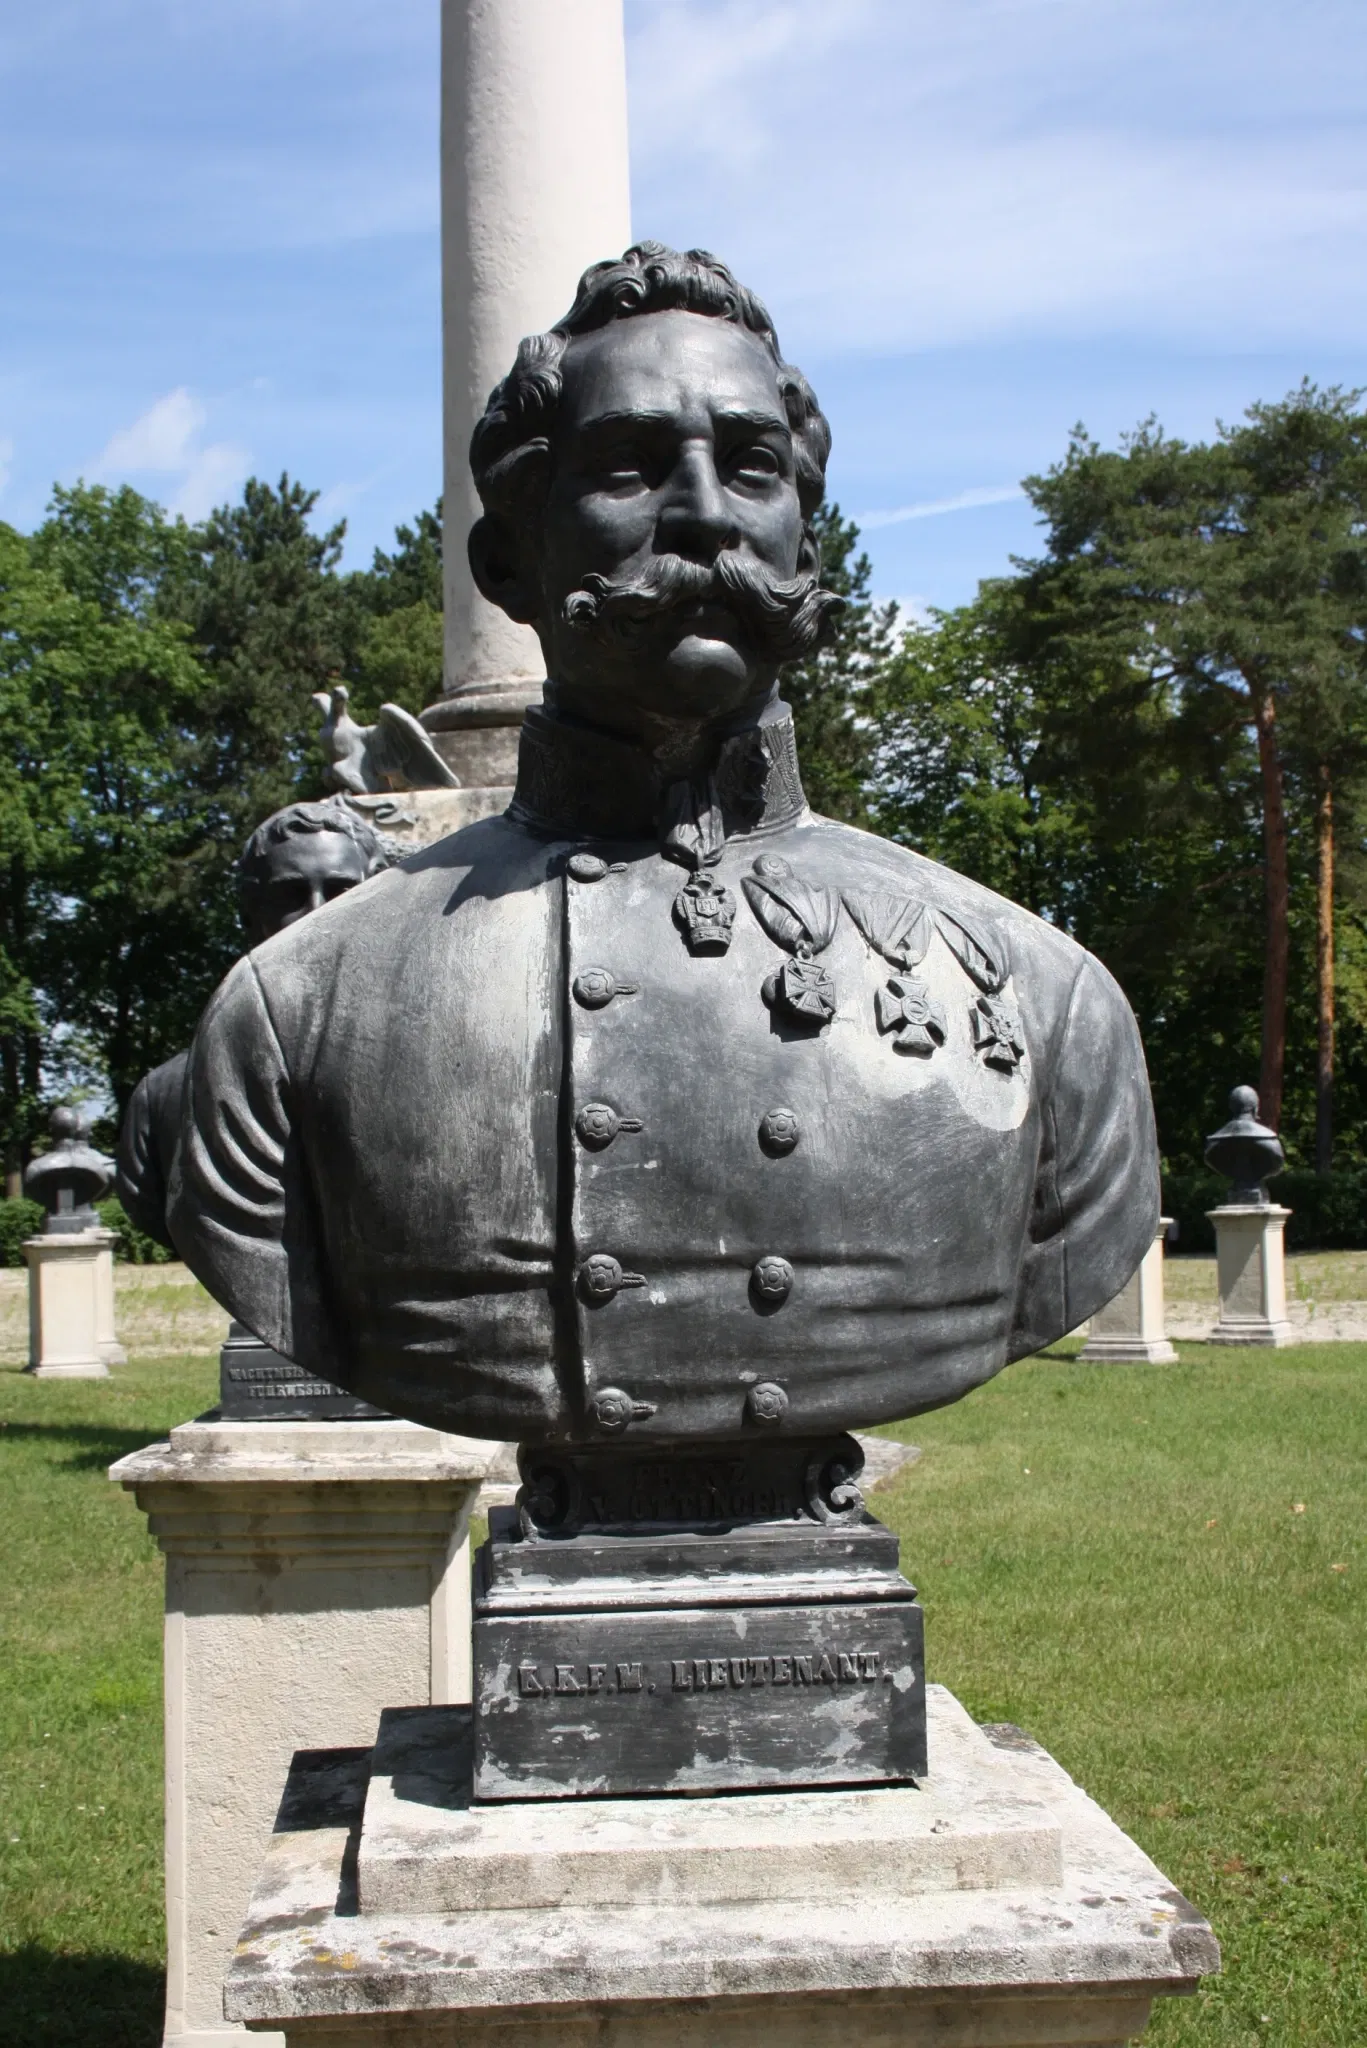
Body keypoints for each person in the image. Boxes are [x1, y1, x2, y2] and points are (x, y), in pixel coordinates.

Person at [171, 243, 1159, 1445]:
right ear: (507, 564)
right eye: (629, 469)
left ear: (805, 538)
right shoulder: (295, 1013)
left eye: (749, 466)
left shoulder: (1048, 1001)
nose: (699, 513)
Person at [116, 799, 387, 1249]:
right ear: (250, 912)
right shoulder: (163, 1101)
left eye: (343, 891)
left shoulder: (460, 1072)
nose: (317, 914)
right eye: (290, 896)